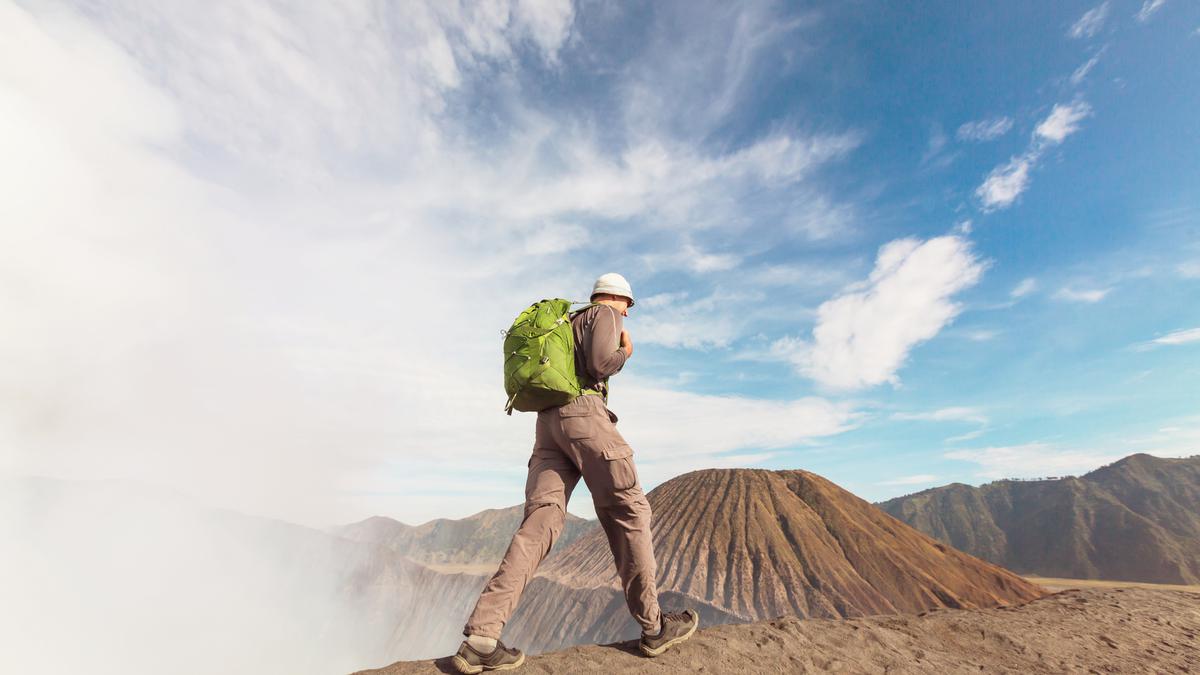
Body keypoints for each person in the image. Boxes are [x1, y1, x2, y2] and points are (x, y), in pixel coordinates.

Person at [451, 273, 699, 674]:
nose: (626, 316)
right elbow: (602, 362)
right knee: (630, 513)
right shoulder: (604, 314)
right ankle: (654, 629)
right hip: (584, 417)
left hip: (548, 426)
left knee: (539, 525)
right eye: (628, 309)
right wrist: (625, 353)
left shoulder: (568, 322)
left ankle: (482, 637)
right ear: (623, 301)